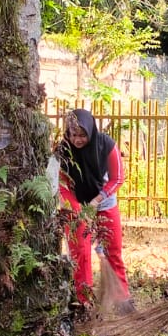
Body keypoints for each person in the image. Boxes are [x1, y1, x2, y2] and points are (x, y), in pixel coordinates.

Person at [56, 109, 131, 307]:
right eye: (73, 135)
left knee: (111, 250)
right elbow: (61, 186)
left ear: (91, 131)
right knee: (80, 252)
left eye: (82, 135)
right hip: (75, 206)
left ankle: (121, 297)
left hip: (104, 203)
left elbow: (117, 179)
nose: (77, 140)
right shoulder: (63, 150)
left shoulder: (106, 145)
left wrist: (96, 202)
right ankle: (84, 300)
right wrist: (79, 211)